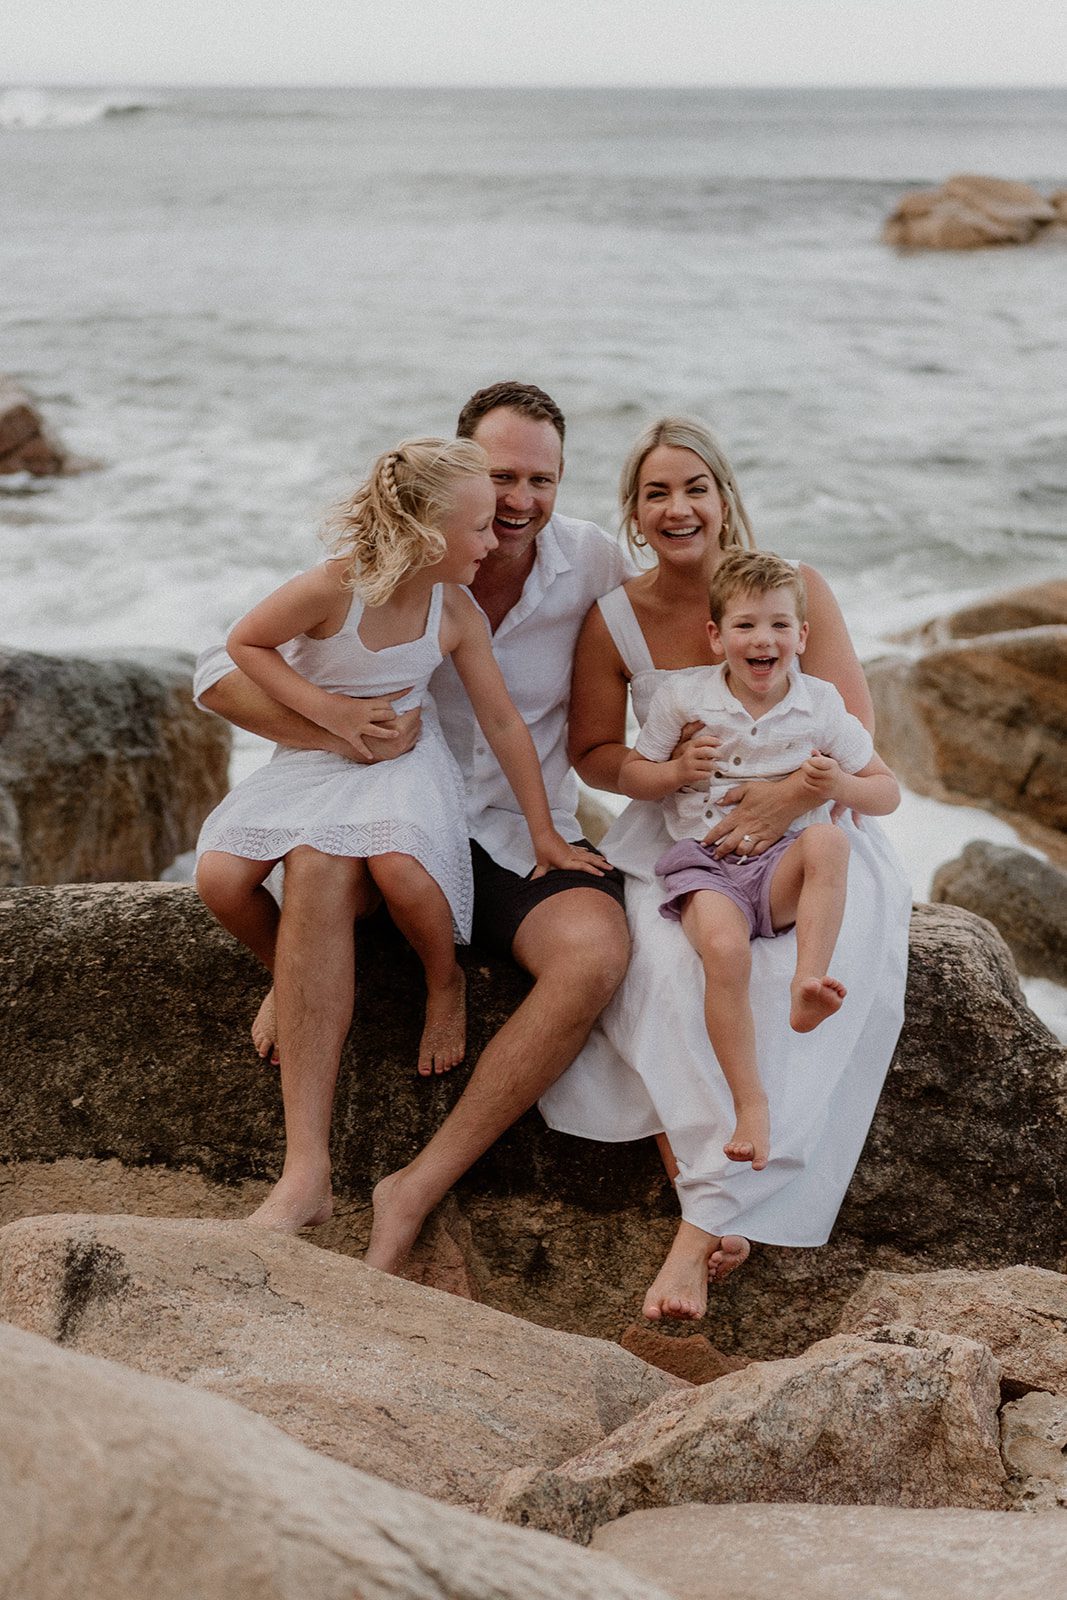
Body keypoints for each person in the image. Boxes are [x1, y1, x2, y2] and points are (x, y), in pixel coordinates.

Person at [194, 383, 635, 1241]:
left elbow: (685, 624)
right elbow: (217, 669)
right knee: (319, 863)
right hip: (384, 801)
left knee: (592, 957)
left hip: (512, 828)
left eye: (543, 480)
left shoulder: (593, 563)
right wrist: (334, 728)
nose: (520, 503)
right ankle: (305, 1176)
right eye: (501, 478)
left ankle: (415, 1186)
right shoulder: (369, 560)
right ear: (458, 477)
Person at [539, 417, 911, 1322]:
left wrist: (786, 801)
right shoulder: (614, 618)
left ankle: (697, 1233)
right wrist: (664, 776)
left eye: (694, 487)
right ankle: (716, 1203)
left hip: (816, 836)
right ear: (633, 512)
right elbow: (593, 752)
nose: (678, 508)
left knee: (796, 977)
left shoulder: (796, 591)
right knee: (667, 978)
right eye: (656, 492)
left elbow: (853, 745)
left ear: (723, 496)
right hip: (683, 844)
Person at [620, 548, 900, 1173]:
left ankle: (809, 981)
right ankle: (752, 1106)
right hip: (705, 862)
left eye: (778, 624)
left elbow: (886, 791)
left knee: (831, 840)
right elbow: (633, 771)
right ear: (716, 636)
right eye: (745, 625)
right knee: (724, 951)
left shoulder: (822, 704)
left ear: (802, 635)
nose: (762, 639)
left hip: (781, 865)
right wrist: (673, 771)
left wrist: (837, 787)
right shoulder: (684, 698)